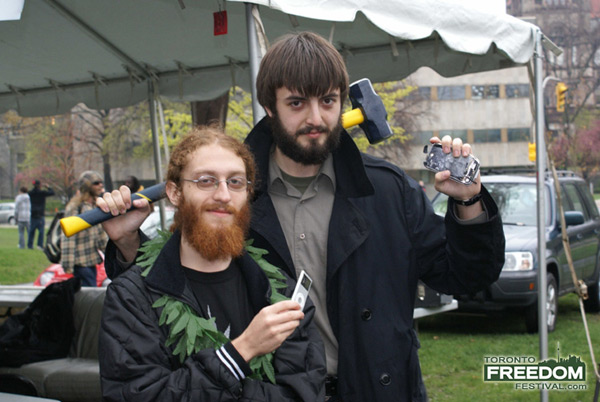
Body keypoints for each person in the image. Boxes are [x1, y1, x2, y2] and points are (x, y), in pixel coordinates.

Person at [99, 32, 505, 401]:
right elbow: (177, 282)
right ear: (269, 108)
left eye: (328, 101)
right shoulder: (235, 194)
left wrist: (468, 203)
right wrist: (127, 243)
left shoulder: (386, 190)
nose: (316, 118)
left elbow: (466, 276)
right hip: (276, 393)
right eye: (297, 103)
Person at [97, 126, 326, 401]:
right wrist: (240, 352)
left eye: (236, 182)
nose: (223, 195)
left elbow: (304, 394)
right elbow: (139, 396)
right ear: (175, 192)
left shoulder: (283, 294)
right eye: (206, 181)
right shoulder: (131, 298)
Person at [60, 171, 108, 287]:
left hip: (91, 261)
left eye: (101, 183)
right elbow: (68, 237)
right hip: (80, 263)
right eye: (96, 183)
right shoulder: (76, 207)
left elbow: (101, 234)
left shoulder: (96, 205)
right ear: (87, 186)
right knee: (89, 297)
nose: (100, 185)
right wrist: (68, 264)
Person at [27, 179, 54, 250]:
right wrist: (48, 187)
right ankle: (39, 245)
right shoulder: (42, 193)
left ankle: (30, 245)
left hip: (33, 213)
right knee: (41, 231)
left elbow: (28, 193)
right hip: (40, 213)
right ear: (39, 185)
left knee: (31, 231)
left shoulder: (30, 193)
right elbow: (52, 192)